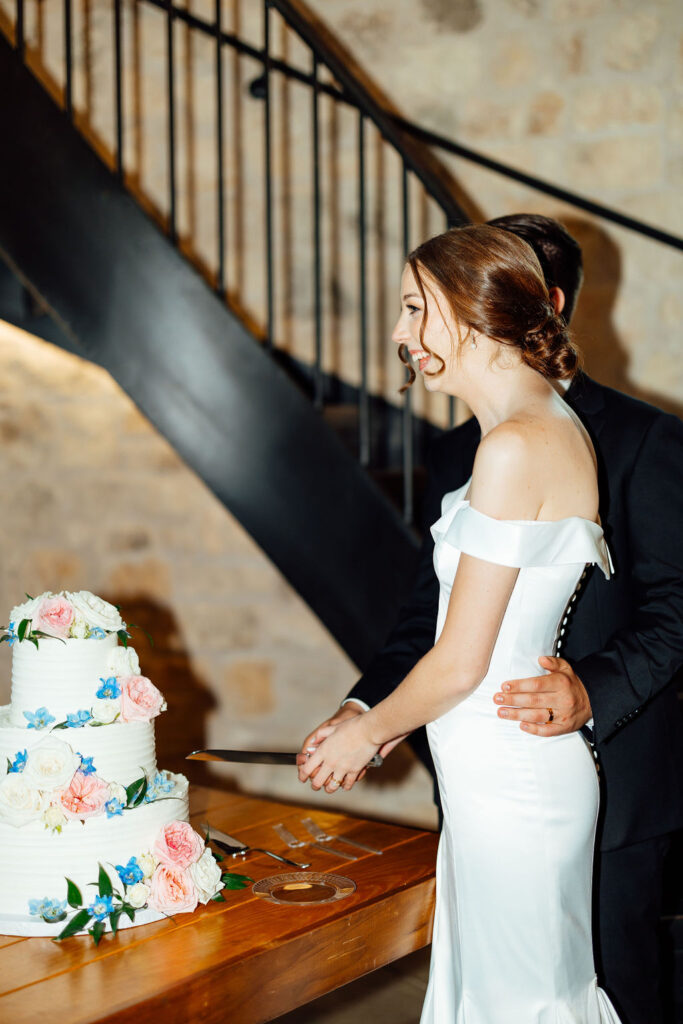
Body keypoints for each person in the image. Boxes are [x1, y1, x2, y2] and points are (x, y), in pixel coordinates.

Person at [299, 216, 683, 1024]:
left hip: (576, 767)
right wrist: (366, 708)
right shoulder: (472, 446)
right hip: (485, 771)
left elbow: (673, 607)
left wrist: (593, 691)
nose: (399, 334)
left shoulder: (618, 440)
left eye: (415, 307)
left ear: (494, 309)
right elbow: (426, 616)